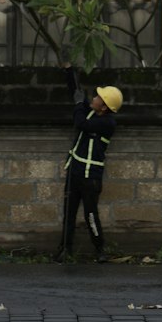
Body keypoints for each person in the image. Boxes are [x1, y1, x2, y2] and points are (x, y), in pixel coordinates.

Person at [55, 62, 123, 263]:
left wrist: (78, 105)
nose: (93, 98)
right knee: (69, 214)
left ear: (104, 107)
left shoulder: (107, 123)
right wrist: (70, 71)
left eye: (98, 98)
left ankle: (99, 250)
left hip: (90, 177)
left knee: (90, 215)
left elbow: (81, 123)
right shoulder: (93, 111)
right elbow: (77, 92)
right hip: (75, 172)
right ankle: (65, 249)